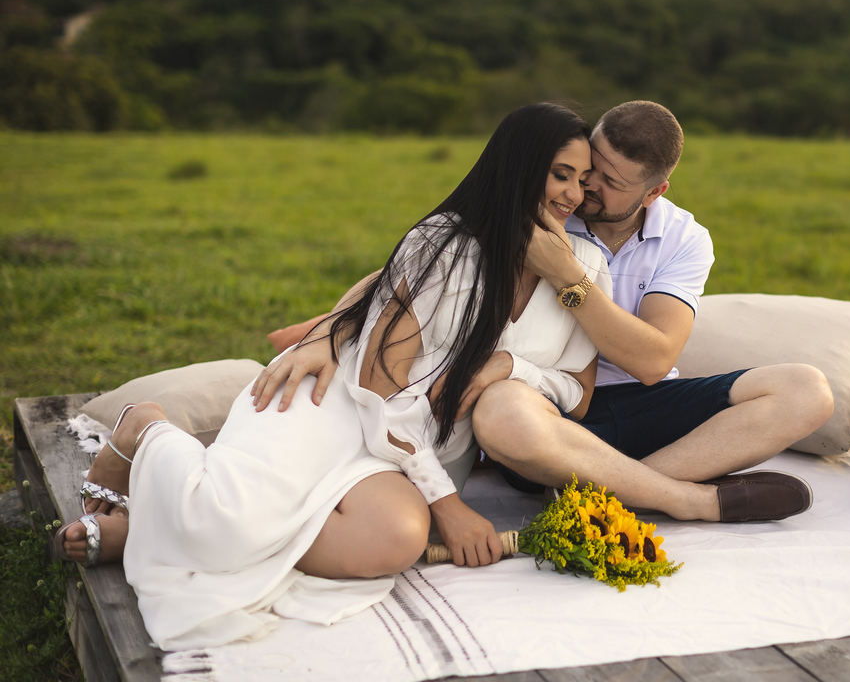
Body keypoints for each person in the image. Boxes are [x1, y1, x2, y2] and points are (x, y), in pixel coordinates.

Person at [54, 102, 612, 650]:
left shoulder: (585, 269)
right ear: (518, 166)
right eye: (560, 174)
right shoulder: (443, 242)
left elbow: (579, 392)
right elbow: (377, 382)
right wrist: (446, 503)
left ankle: (163, 524)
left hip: (415, 450)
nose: (572, 193)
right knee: (233, 517)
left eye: (583, 180)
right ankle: (144, 430)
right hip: (338, 409)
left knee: (390, 542)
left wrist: (510, 367)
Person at [257, 101, 833, 523]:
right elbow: (405, 274)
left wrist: (568, 276)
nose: (585, 191)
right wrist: (325, 335)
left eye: (608, 183)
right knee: (504, 408)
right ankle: (680, 499)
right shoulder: (547, 199)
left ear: (652, 193)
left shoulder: (682, 238)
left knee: (806, 390)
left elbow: (654, 361)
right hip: (538, 413)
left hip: (629, 405)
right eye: (588, 169)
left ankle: (612, 494)